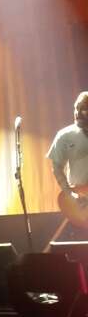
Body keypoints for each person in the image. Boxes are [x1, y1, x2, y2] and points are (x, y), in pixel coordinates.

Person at [48, 91, 88, 238]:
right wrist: (69, 193)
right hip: (79, 203)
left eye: (83, 108)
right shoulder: (64, 135)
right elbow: (56, 167)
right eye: (76, 108)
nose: (77, 112)